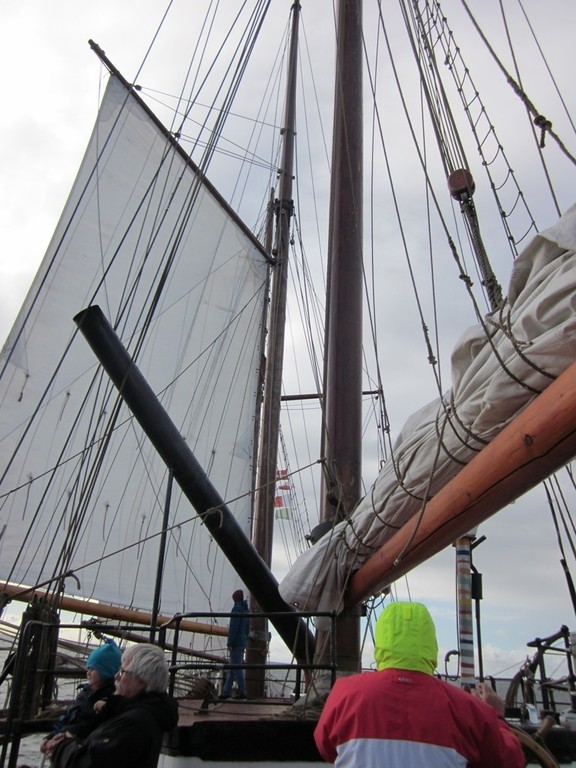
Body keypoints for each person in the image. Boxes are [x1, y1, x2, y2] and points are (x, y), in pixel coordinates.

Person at [314, 601, 526, 767]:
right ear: (430, 642)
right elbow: (509, 761)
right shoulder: (468, 709)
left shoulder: (344, 694)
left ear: (382, 639)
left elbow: (326, 749)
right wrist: (496, 717)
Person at [49, 643, 179, 768]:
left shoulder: (134, 723)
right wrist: (75, 736)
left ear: (141, 681)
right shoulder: (134, 713)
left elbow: (89, 763)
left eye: (122, 671)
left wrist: (59, 747)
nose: (116, 676)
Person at [40, 638, 122, 755]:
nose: (88, 672)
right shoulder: (84, 693)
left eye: (93, 669)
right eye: (88, 668)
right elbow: (67, 717)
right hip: (68, 741)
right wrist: (51, 736)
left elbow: (94, 724)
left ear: (106, 671)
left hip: (83, 746)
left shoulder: (111, 696)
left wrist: (68, 734)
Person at [219, 588, 249, 700]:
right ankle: (225, 692)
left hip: (236, 642)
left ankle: (242, 692)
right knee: (233, 668)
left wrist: (230, 642)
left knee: (236, 667)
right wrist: (245, 640)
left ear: (235, 599)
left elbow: (233, 628)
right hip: (242, 642)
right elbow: (247, 629)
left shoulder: (236, 609)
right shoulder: (246, 610)